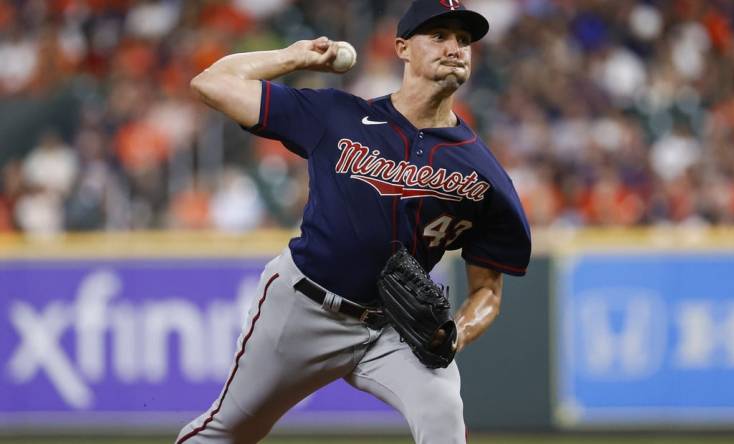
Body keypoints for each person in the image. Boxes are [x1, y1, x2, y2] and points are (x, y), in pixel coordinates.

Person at [178, 1, 531, 442]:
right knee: (227, 432)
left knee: (443, 409)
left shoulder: (484, 175)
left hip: (395, 329)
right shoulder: (336, 116)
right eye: (438, 36)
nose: (455, 48)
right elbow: (211, 82)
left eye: (463, 40)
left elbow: (487, 292)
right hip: (304, 308)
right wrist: (296, 57)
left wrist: (455, 334)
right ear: (402, 48)